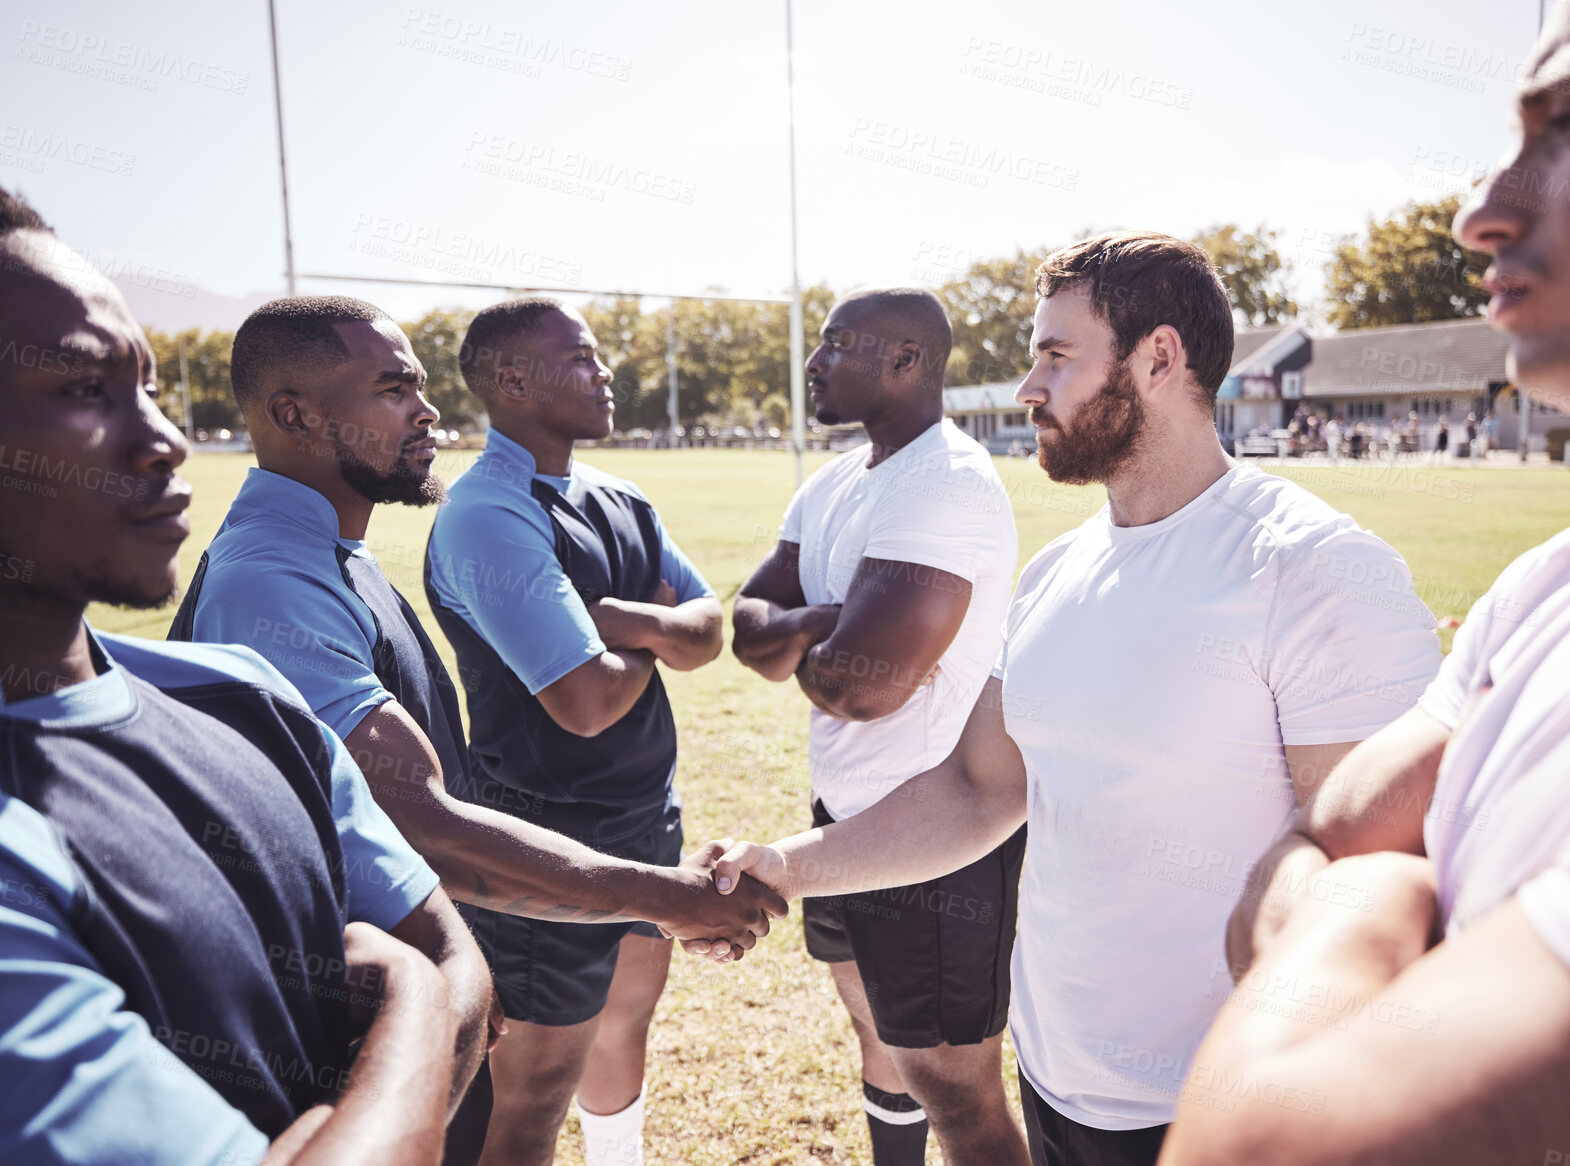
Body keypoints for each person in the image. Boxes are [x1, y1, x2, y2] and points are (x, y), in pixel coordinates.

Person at [698, 232, 1442, 1166]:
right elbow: (979, 787)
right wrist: (788, 867)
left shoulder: (1314, 569)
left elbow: (1378, 881)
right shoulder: (1057, 573)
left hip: (1230, 1111)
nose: (1026, 388)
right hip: (1057, 1081)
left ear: (1159, 358)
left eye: (1056, 356)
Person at [1190, 2, 1570, 1160]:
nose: (1482, 211)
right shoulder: (1563, 578)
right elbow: (1293, 854)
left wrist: (1372, 901)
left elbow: (1257, 1143)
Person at [166, 295, 783, 1161]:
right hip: (324, 1049)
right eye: (391, 389)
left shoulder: (330, 553)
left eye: (420, 384)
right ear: (293, 414)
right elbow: (422, 827)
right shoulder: (270, 579)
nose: (426, 410)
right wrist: (660, 895)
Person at [0, 185, 484, 1163]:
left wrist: (349, 1121)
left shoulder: (245, 696)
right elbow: (436, 979)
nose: (166, 439)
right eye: (85, 389)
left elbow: (461, 962)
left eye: (145, 385)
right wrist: (416, 1007)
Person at [425, 297, 752, 1166]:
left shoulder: (621, 496)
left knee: (622, 1030)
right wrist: (657, 632)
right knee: (532, 1089)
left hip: (649, 813)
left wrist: (609, 620)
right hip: (544, 837)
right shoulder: (486, 513)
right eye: (581, 357)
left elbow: (710, 628)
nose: (604, 371)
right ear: (512, 379)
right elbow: (586, 703)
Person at [731, 288, 1024, 1166]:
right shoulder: (835, 481)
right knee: (878, 1037)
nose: (815, 363)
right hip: (843, 809)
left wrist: (810, 637)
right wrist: (827, 621)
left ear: (907, 362)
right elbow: (746, 623)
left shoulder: (945, 482)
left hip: (934, 826)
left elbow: (865, 691)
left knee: (954, 1083)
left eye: (838, 345)